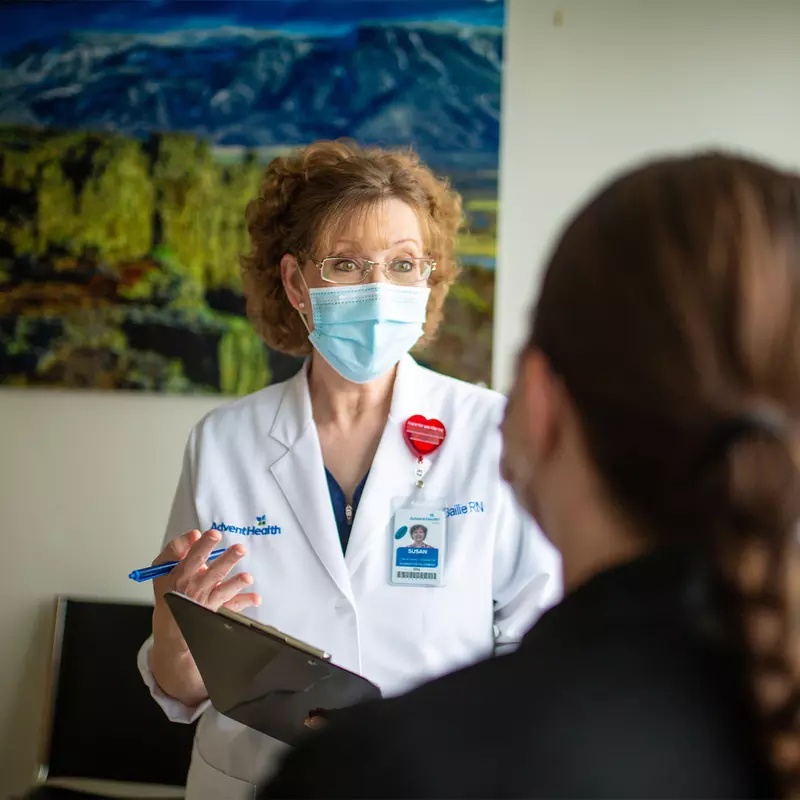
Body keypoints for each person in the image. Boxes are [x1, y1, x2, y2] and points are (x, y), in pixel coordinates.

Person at [260, 152, 800, 799]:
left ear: (540, 402)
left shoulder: (374, 772)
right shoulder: (768, 710)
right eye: (348, 263)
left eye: (402, 264)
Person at [137, 140, 560, 800]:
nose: (378, 288)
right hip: (255, 782)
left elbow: (539, 648)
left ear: (427, 281)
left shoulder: (490, 431)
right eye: (346, 264)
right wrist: (172, 643)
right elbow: (188, 678)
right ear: (297, 283)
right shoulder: (223, 442)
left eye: (402, 264)